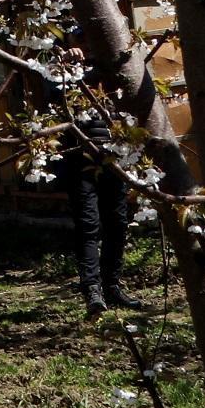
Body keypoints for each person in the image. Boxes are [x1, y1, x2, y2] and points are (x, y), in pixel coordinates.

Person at [59, 112, 144, 319]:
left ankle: (112, 287)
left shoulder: (117, 83)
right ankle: (92, 290)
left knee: (118, 223)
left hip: (114, 157)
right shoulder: (65, 83)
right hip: (80, 158)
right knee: (88, 225)